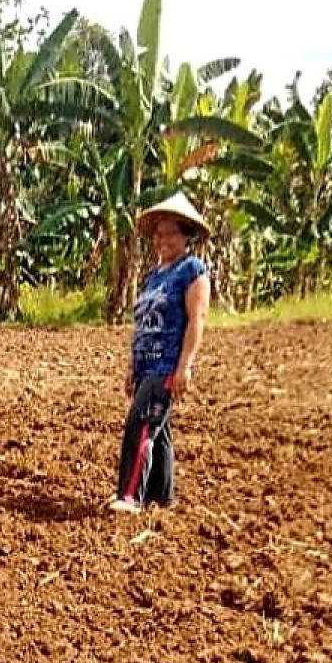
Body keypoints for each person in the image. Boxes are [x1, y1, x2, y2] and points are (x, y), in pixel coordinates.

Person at [111, 193, 212, 514]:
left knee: (141, 424)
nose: (162, 239)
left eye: (170, 233)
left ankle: (130, 496)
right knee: (159, 429)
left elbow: (198, 318)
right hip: (146, 365)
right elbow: (143, 324)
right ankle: (162, 497)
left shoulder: (192, 270)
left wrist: (185, 365)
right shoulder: (153, 276)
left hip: (167, 364)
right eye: (159, 233)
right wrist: (133, 368)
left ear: (185, 236)